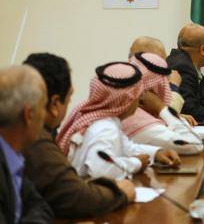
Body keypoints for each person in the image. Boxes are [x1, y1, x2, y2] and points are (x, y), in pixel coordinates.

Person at [23, 53, 135, 219]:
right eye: (69, 98)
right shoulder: (33, 137)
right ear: (55, 104)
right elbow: (76, 197)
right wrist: (120, 193)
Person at [57, 62, 181, 180]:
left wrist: (156, 153)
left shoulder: (105, 122)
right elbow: (101, 170)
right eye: (138, 95)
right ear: (128, 99)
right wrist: (136, 163)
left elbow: (127, 147)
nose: (139, 100)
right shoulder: (105, 128)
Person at [0, 65, 54, 223]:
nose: (46, 115)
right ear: (28, 115)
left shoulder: (13, 155)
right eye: (43, 107)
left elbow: (41, 207)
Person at [121, 52, 203, 155]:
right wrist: (162, 108)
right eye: (165, 84)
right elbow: (195, 144)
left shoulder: (133, 111)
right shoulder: (138, 120)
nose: (167, 89)